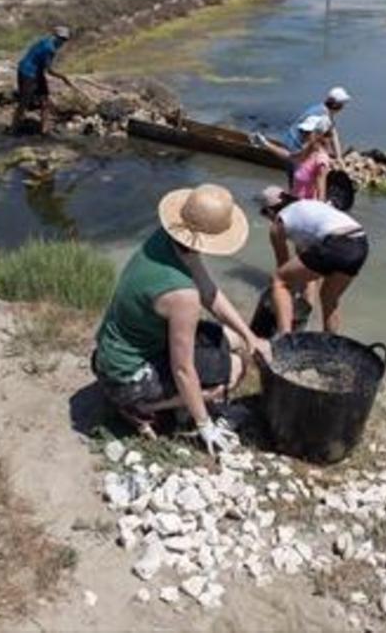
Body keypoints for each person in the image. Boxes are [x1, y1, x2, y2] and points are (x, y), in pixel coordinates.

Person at [93, 184, 273, 454]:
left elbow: (209, 292)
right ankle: (139, 408)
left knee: (234, 339)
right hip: (125, 377)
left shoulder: (166, 240)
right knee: (234, 369)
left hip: (110, 354)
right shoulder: (182, 295)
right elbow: (183, 370)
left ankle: (154, 401)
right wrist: (205, 425)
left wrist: (250, 336)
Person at [259, 187, 368, 336]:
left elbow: (283, 266)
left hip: (336, 242)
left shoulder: (278, 223)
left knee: (278, 280)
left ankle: (285, 339)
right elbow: (307, 261)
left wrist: (286, 297)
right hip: (360, 243)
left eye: (264, 213)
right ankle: (331, 347)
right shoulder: (307, 206)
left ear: (270, 211)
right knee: (329, 298)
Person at [252, 85, 353, 172]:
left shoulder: (327, 112)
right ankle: (264, 142)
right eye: (342, 104)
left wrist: (339, 157)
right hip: (295, 142)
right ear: (336, 105)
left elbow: (333, 133)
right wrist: (318, 153)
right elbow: (307, 135)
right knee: (295, 162)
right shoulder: (319, 115)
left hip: (303, 141)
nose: (343, 107)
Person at [13, 25, 73, 135]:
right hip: (27, 72)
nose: (62, 42)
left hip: (37, 72)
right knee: (24, 102)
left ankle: (44, 130)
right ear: (55, 36)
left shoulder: (47, 41)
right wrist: (63, 77)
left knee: (45, 100)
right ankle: (14, 129)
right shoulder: (49, 48)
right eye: (61, 38)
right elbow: (49, 70)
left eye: (65, 40)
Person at [289, 114, 332, 201]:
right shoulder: (307, 151)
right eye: (302, 131)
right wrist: (266, 144)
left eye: (307, 133)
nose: (303, 135)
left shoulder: (320, 160)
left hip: (307, 207)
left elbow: (321, 194)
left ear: (318, 135)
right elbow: (289, 156)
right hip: (295, 202)